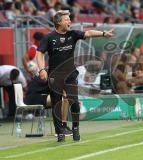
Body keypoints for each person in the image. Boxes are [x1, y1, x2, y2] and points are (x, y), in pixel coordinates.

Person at [36, 10, 114, 142]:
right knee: (57, 104)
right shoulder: (49, 37)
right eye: (67, 19)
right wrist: (41, 69)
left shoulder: (73, 34)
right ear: (59, 22)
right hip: (55, 76)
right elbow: (39, 53)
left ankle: (76, 128)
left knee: (74, 102)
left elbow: (88, 33)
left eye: (69, 19)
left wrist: (103, 33)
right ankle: (60, 133)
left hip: (71, 74)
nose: (70, 21)